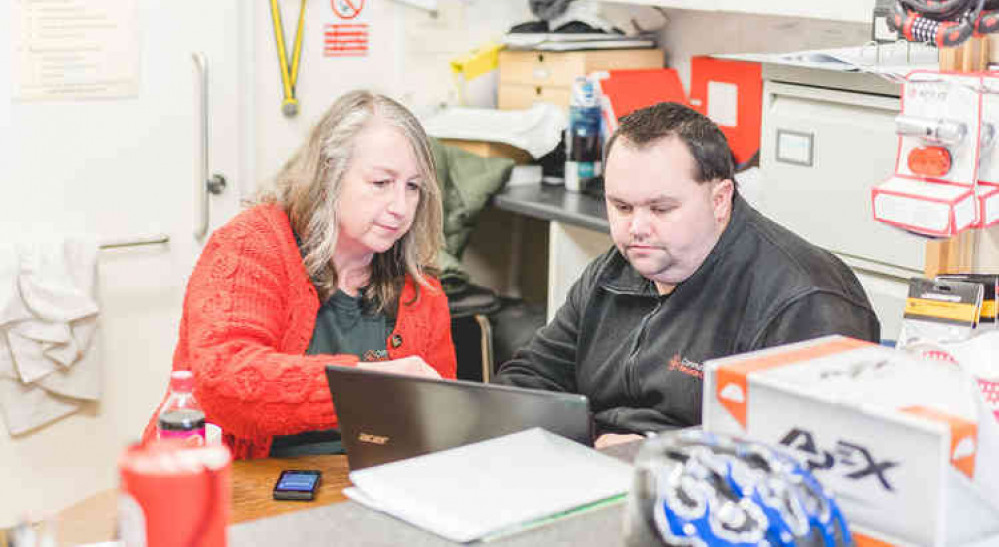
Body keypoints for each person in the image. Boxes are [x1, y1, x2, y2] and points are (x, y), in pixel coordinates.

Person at [495, 102, 880, 446]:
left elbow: (807, 458)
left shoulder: (804, 300)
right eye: (622, 207)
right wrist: (592, 441)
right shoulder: (614, 271)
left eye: (661, 209)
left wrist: (653, 456)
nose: (637, 228)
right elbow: (529, 382)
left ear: (719, 199)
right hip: (599, 468)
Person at [142, 91, 456, 459]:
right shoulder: (250, 245)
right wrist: (366, 386)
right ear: (329, 176)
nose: (400, 207)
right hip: (235, 486)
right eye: (381, 183)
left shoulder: (421, 289)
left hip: (367, 492)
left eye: (413, 187)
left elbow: (437, 425)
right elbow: (222, 381)